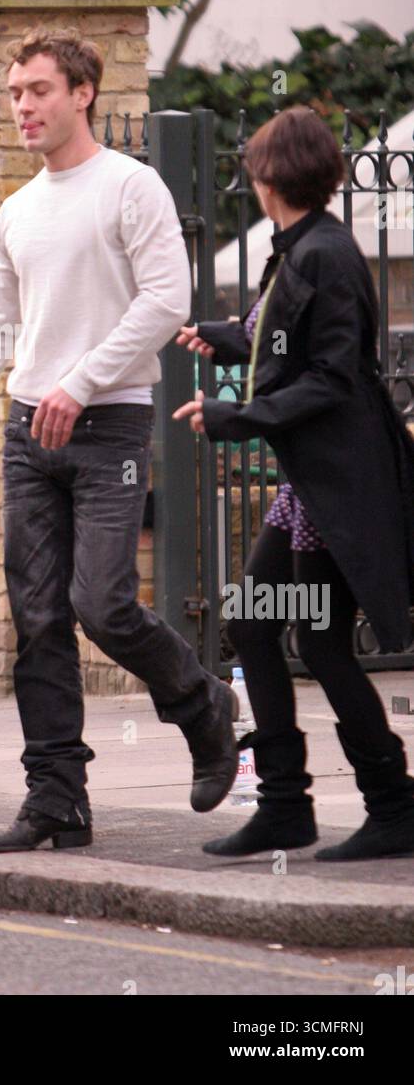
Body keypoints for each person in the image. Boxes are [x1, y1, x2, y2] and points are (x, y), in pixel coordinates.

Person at [0, 25, 239, 853]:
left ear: (82, 93)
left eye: (38, 91)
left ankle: (205, 707)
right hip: (29, 434)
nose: (23, 106)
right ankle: (56, 797)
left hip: (108, 428)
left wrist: (81, 382)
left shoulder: (131, 187)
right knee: (36, 618)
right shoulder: (18, 210)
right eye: (16, 93)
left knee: (103, 605)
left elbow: (166, 302)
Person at [173, 105, 414, 861]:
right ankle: (287, 805)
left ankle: (392, 805)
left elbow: (333, 376)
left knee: (320, 638)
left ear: (272, 175)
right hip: (311, 484)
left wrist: (236, 416)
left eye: (254, 166)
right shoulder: (303, 248)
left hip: (337, 483)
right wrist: (223, 341)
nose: (250, 177)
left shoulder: (326, 254)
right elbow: (277, 334)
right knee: (259, 623)